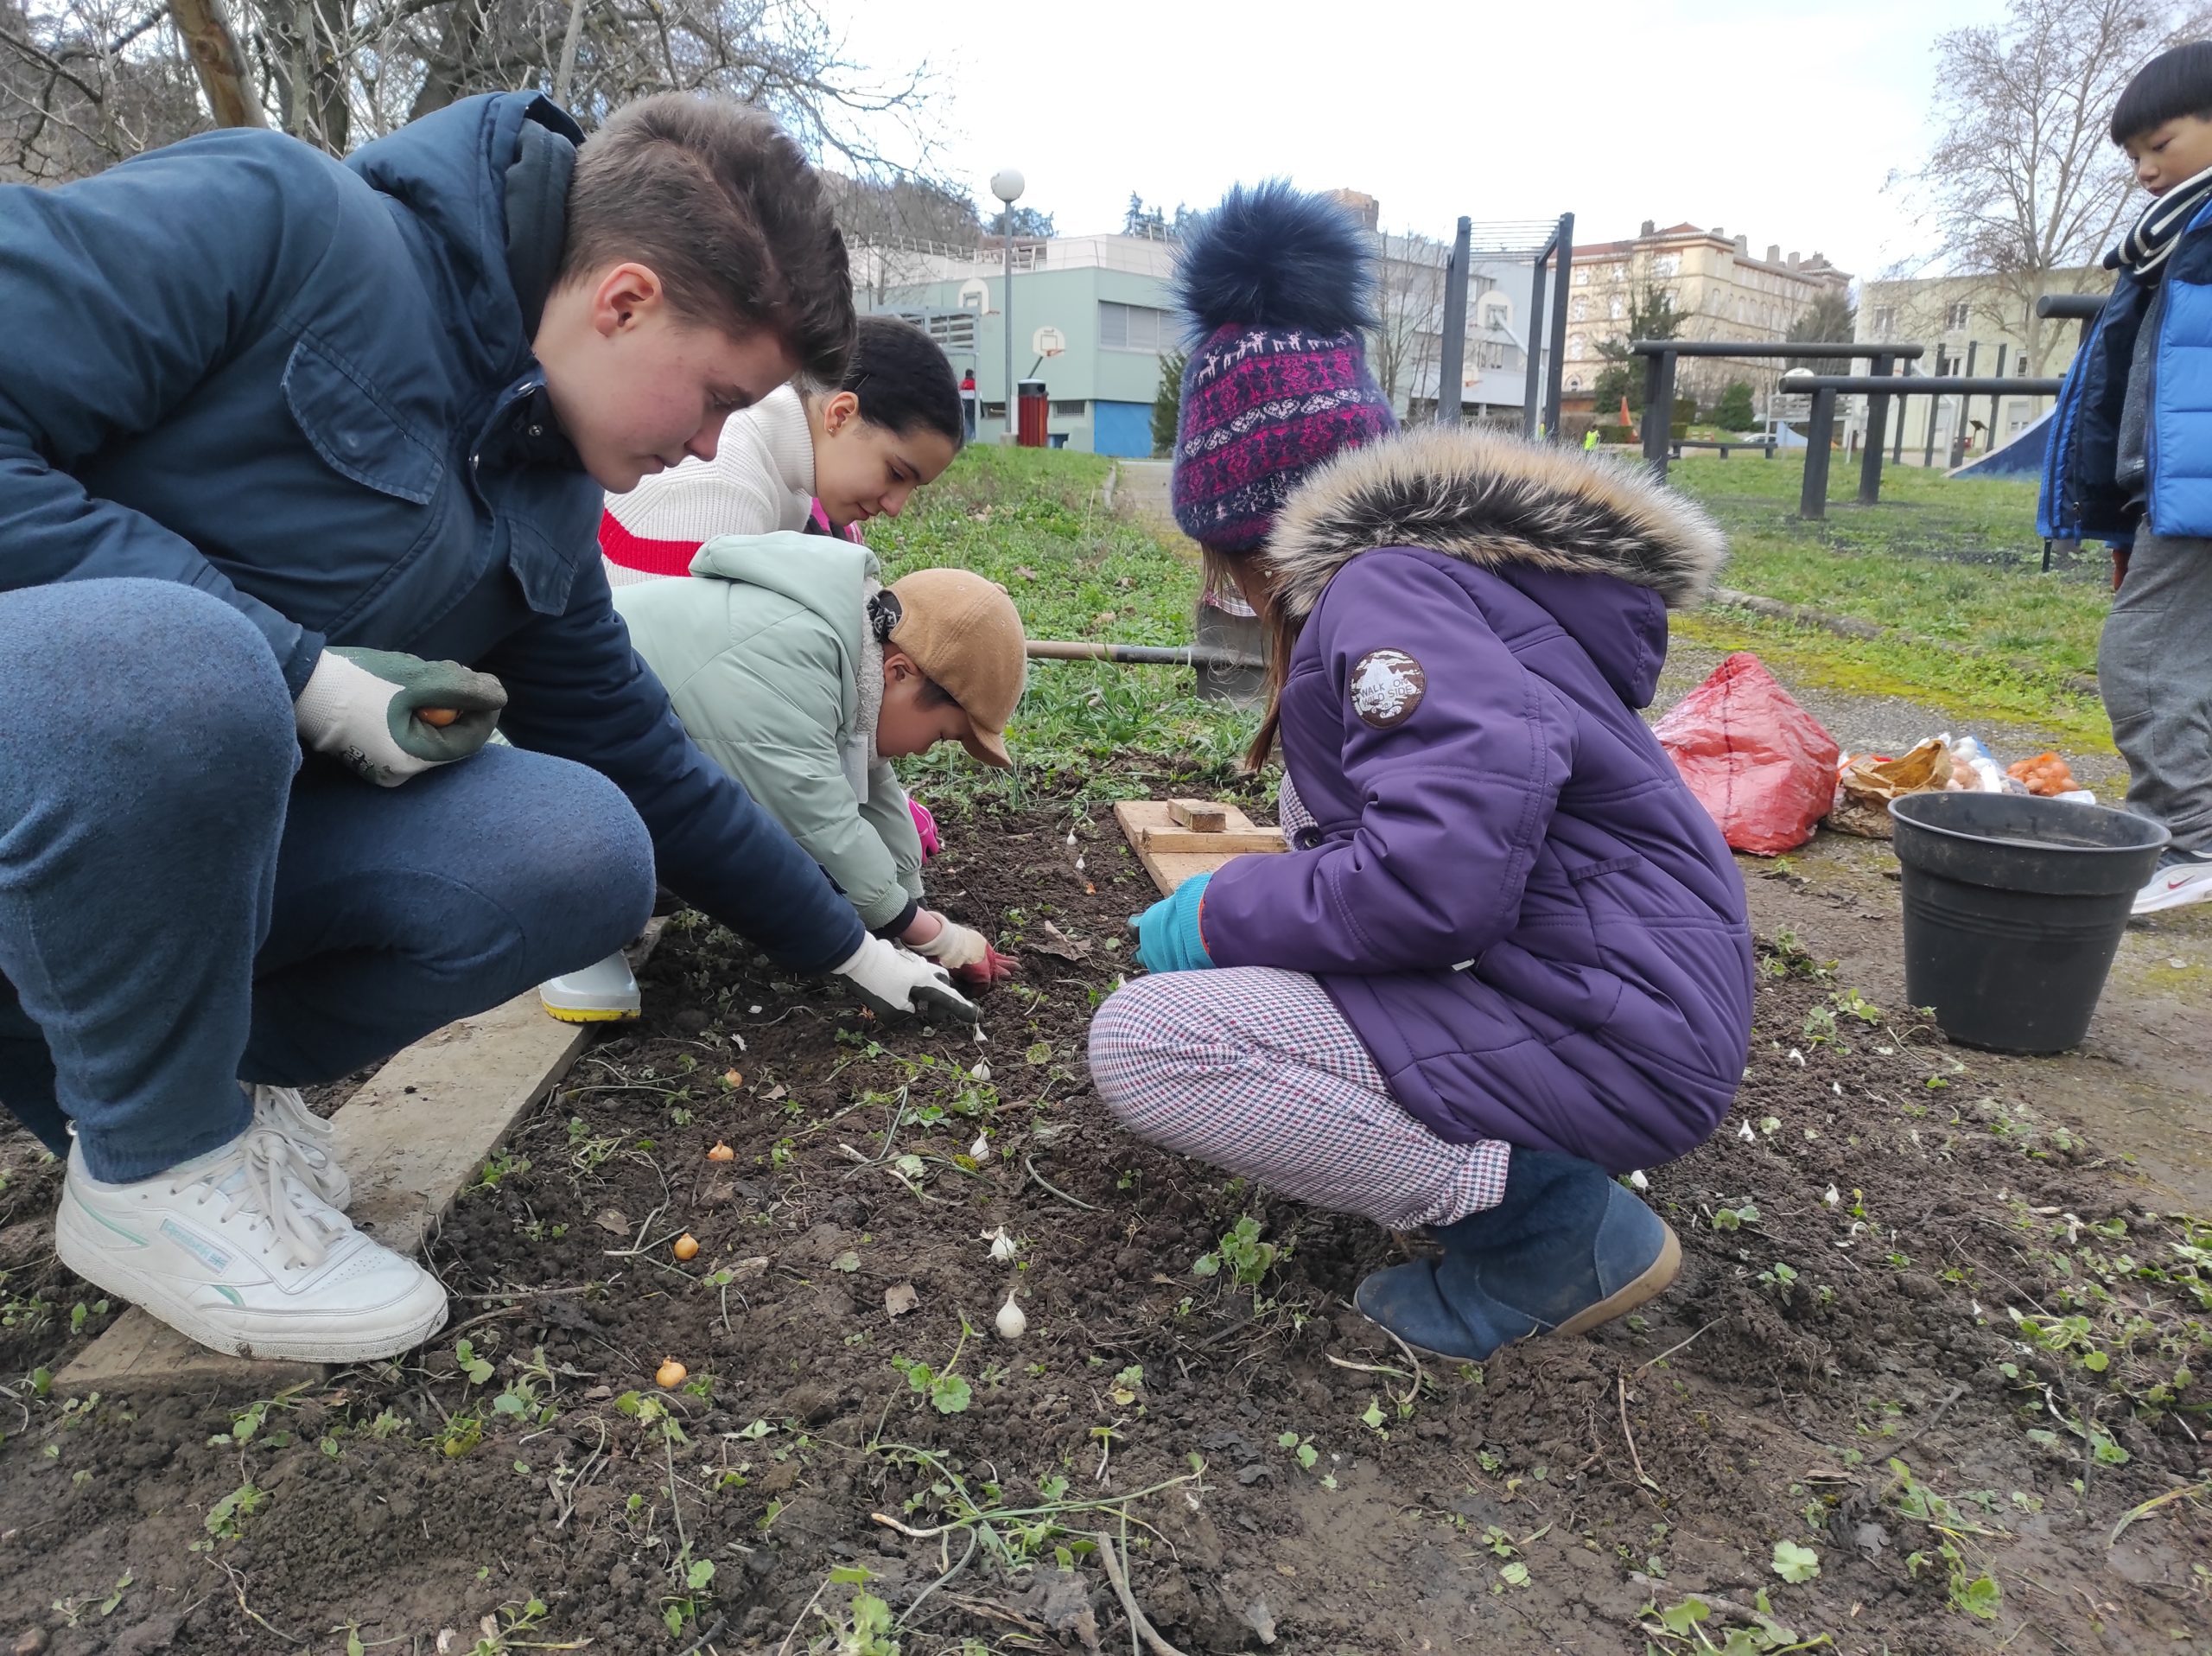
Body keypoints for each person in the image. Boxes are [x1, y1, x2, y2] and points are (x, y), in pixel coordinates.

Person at [0, 92, 973, 1366]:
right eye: (717, 397)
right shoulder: (276, 221)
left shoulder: (548, 486)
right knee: (180, 669)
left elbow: (648, 760)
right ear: (623, 301)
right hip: (63, 754)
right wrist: (296, 668)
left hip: (165, 857)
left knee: (574, 851)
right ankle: (155, 1165)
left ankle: (178, 1080)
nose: (708, 446)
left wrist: (851, 942)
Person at [1088, 183, 1755, 1364]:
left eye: (1224, 565)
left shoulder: (1386, 595)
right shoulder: (1435, 593)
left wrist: (1219, 912)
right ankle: (1530, 1175)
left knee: (1151, 1044)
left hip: (1609, 1030)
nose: (1227, 596)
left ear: (1257, 527)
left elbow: (1436, 882)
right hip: (1602, 1006)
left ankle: (1555, 1231)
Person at [603, 540, 1024, 996]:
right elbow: (815, 812)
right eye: (943, 735)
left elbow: (871, 783)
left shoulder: (848, 654)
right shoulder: (784, 658)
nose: (925, 751)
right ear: (900, 672)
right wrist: (936, 936)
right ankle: (583, 935)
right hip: (540, 737)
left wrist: (911, 903)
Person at [2042, 39, 2212, 914]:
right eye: (2134, 155)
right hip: (2175, 485)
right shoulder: (2169, 239)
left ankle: (2187, 837)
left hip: (2200, 489)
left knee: (2140, 655)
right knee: (2186, 658)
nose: (2146, 169)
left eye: (2163, 143)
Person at [599, 315, 964, 585]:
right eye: (896, 474)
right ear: (841, 414)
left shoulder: (780, 475)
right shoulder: (723, 484)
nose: (896, 506)